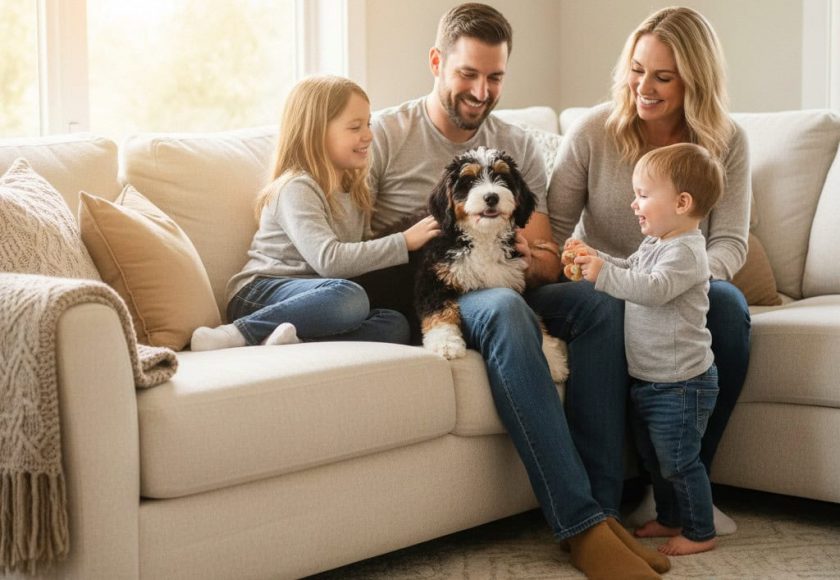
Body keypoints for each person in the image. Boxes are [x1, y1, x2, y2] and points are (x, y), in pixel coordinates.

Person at [368, 4, 669, 578]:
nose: (482, 91)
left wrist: (539, 257)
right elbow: (362, 245)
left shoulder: (517, 145)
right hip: (441, 291)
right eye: (467, 74)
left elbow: (541, 262)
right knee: (506, 309)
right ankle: (579, 525)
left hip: (504, 277)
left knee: (597, 306)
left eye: (496, 77)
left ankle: (605, 510)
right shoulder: (385, 136)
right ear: (437, 62)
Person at [548, 6, 751, 535]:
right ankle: (627, 495)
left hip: (683, 281)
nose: (645, 86)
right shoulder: (593, 131)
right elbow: (553, 228)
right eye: (637, 70)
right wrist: (573, 262)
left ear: (695, 80)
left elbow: (729, 240)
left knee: (728, 308)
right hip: (609, 281)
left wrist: (688, 284)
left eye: (663, 77)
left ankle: (687, 489)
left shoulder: (725, 141)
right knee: (605, 308)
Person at [190, 75, 440, 352]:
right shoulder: (296, 187)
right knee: (348, 295)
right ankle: (238, 332)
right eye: (355, 126)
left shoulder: (355, 191)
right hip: (261, 294)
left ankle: (294, 341)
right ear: (316, 133)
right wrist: (403, 242)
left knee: (394, 324)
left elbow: (359, 256)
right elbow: (330, 261)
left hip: (317, 298)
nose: (369, 135)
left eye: (368, 123)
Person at [573, 143, 724, 556]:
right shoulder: (658, 242)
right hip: (652, 379)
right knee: (655, 460)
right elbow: (630, 270)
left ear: (682, 202)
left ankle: (699, 530)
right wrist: (594, 256)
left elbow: (652, 290)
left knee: (678, 461)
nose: (633, 203)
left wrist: (600, 274)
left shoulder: (687, 252)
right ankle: (671, 516)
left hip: (681, 383)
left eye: (642, 194)